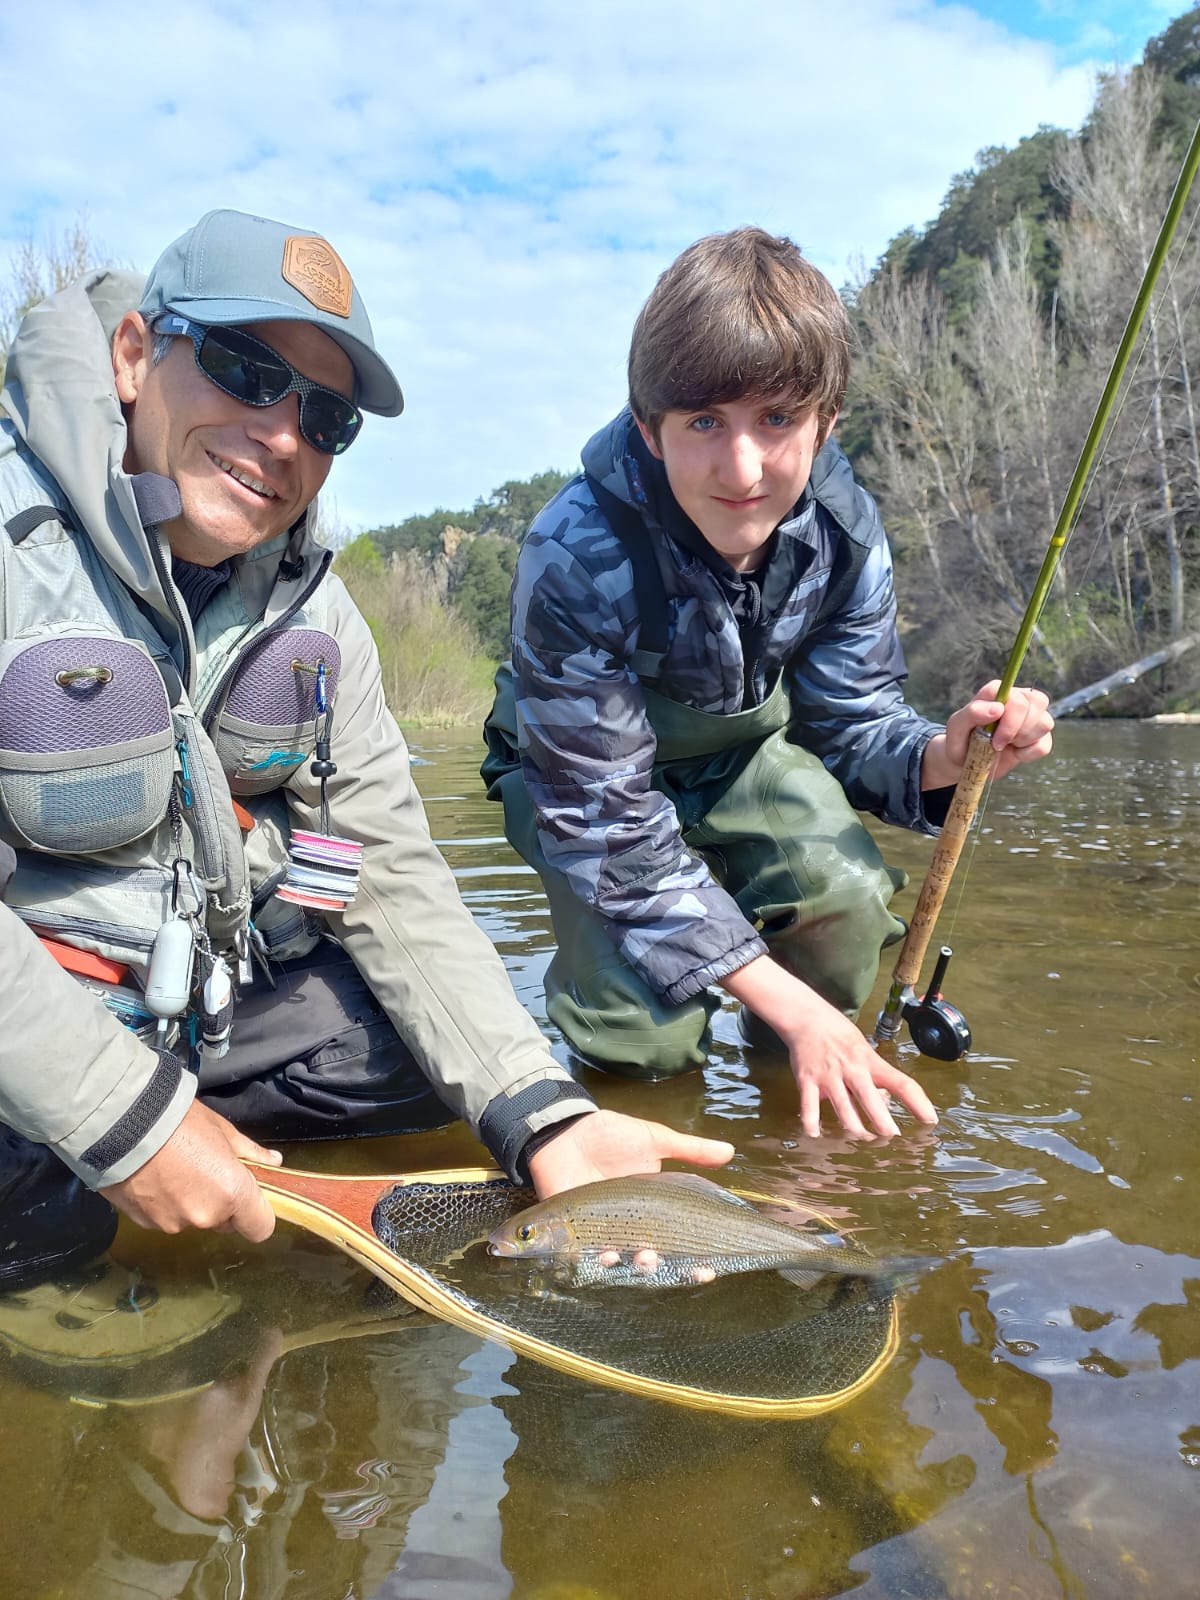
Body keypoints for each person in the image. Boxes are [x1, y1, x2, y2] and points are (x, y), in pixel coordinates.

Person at [0, 208, 733, 1294]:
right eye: (247, 370)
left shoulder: (323, 616)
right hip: (36, 1025)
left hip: (191, 1012)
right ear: (134, 354)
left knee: (431, 1069)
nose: (285, 435)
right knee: (42, 1226)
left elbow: (386, 872)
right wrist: (125, 1122)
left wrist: (542, 1113)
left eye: (327, 417)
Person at [483, 226, 1054, 1141]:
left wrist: (946, 756)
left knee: (846, 905)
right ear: (649, 430)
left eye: (777, 421)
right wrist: (792, 1005)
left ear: (827, 423)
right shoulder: (573, 550)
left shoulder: (846, 532)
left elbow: (855, 724)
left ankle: (800, 1134)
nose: (743, 469)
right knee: (641, 1034)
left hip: (744, 754)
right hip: (579, 788)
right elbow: (611, 827)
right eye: (704, 422)